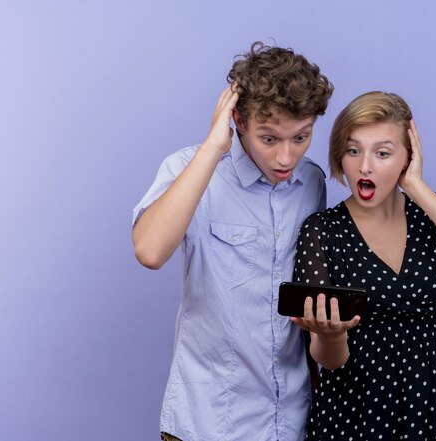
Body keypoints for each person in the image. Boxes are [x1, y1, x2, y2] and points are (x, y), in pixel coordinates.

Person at [132, 42, 333, 441]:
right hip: (210, 423)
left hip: (291, 420)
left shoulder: (312, 181)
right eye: (270, 138)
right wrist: (213, 146)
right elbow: (149, 251)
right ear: (238, 120)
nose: (285, 157)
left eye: (301, 137)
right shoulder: (191, 169)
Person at [290, 91, 436, 440]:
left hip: (434, 402)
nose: (365, 166)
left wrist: (416, 186)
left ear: (408, 158)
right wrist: (330, 333)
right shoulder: (322, 231)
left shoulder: (434, 216)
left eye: (383, 153)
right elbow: (329, 360)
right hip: (355, 408)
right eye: (353, 150)